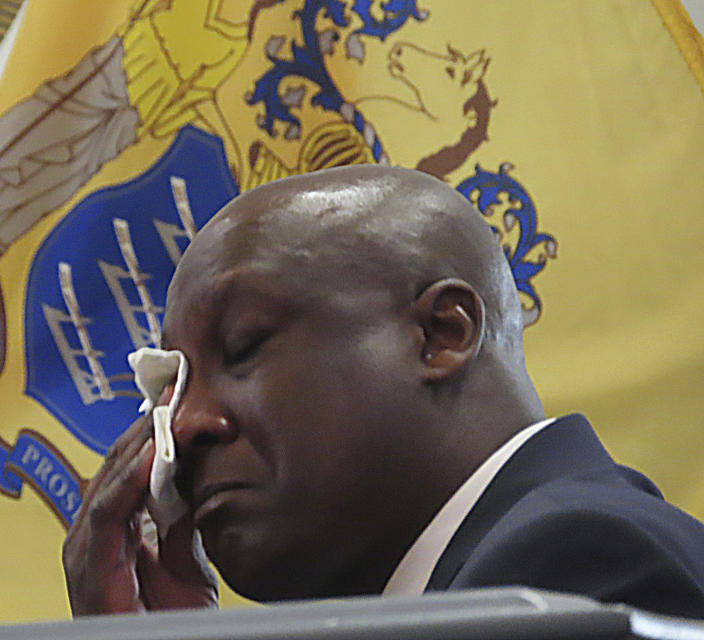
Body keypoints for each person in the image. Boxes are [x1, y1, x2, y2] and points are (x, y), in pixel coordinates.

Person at [62, 165, 704, 618]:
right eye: (175, 383)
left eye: (244, 345)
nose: (184, 422)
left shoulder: (575, 563)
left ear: (441, 334)